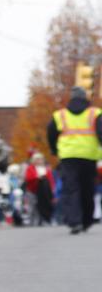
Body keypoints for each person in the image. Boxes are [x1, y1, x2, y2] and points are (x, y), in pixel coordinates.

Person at [47, 85, 102, 234]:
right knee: (87, 189)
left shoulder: (60, 115)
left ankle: (74, 221)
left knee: (71, 188)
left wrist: (54, 149)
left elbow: (51, 134)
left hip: (68, 156)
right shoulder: (95, 113)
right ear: (85, 97)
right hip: (89, 155)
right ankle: (86, 221)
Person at [24, 152, 55, 225]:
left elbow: (51, 180)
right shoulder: (30, 168)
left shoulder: (46, 169)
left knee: (43, 205)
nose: (39, 161)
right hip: (33, 190)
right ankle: (32, 221)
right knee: (33, 206)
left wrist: (52, 189)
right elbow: (28, 178)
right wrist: (37, 178)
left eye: (41, 159)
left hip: (44, 191)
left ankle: (43, 220)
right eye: (37, 159)